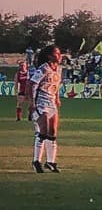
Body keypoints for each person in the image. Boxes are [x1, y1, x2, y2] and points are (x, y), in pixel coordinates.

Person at [28, 45, 63, 173]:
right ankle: (36, 161)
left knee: (52, 133)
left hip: (52, 102)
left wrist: (57, 98)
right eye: (57, 53)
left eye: (59, 53)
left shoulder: (58, 69)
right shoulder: (44, 69)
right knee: (43, 132)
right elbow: (31, 83)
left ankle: (51, 162)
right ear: (49, 56)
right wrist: (32, 103)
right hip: (41, 102)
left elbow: (56, 84)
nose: (59, 56)